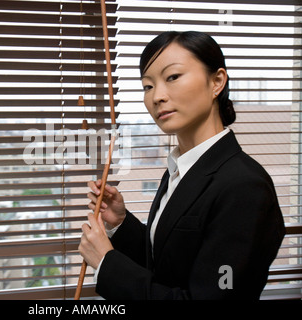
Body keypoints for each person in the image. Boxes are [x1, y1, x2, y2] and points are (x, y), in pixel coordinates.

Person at [78, 31, 286, 300]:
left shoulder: (244, 186)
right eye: (148, 86)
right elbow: (168, 262)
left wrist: (106, 262)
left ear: (216, 82)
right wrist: (120, 223)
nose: (157, 97)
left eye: (173, 77)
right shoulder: (179, 169)